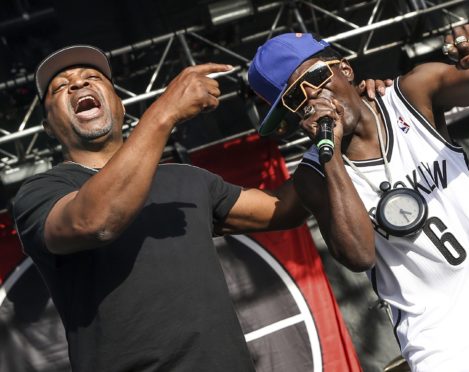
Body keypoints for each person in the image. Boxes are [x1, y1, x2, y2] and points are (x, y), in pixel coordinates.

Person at [11, 45, 386, 371]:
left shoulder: (185, 180)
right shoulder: (43, 193)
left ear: (119, 105)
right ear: (47, 124)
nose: (79, 84)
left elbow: (284, 207)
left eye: (94, 77)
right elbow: (96, 221)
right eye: (61, 86)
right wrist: (164, 112)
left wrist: (349, 121)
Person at [248, 24, 469, 371]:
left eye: (317, 77)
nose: (316, 97)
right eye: (295, 99)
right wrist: (329, 152)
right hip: (444, 343)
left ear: (345, 69)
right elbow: (359, 255)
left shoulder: (410, 95)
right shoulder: (314, 175)